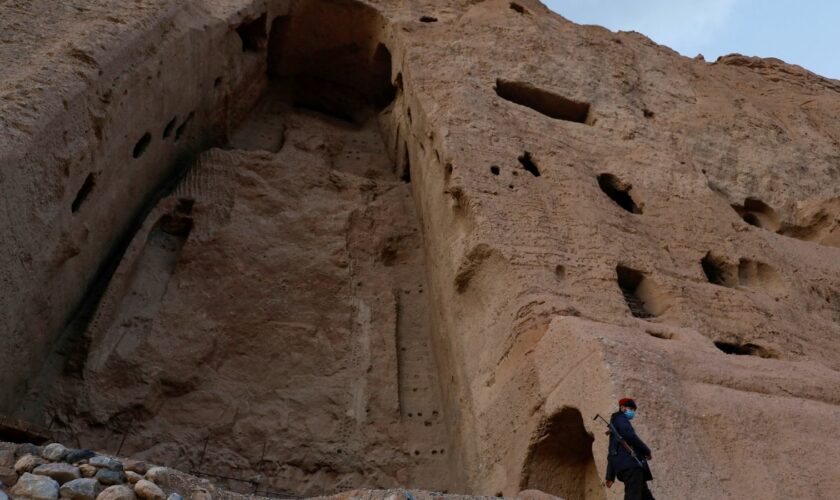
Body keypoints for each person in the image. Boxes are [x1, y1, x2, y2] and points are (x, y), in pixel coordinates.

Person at [605, 398, 655, 500]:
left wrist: (610, 476)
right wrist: (647, 451)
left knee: (645, 496)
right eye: (630, 409)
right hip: (631, 466)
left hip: (626, 467)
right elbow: (630, 436)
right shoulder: (620, 419)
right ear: (622, 408)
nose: (632, 412)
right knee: (633, 496)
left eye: (633, 410)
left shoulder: (614, 427)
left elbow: (612, 452)